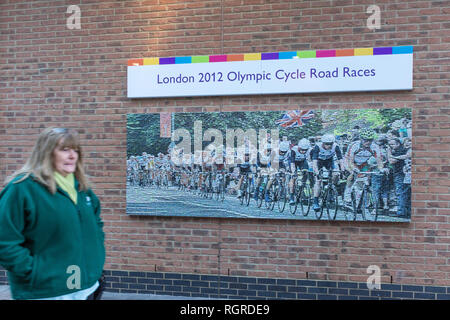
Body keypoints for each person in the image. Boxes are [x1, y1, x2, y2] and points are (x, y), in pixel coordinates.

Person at [0, 127, 105, 300]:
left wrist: (96, 261)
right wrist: (35, 273)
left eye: (76, 150)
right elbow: (4, 241)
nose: (72, 156)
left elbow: (96, 226)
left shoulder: (83, 190)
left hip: (83, 287)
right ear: (46, 153)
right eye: (65, 150)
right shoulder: (21, 189)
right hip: (45, 291)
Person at [311, 133, 345, 211]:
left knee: (336, 174)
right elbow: (314, 162)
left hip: (329, 161)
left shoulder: (336, 146)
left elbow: (340, 159)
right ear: (323, 143)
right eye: (327, 144)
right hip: (319, 161)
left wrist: (342, 169)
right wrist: (316, 172)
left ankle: (331, 188)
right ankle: (315, 201)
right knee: (318, 180)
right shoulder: (317, 146)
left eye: (331, 144)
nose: (329, 146)